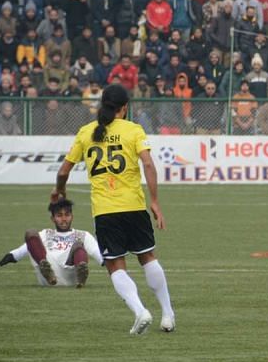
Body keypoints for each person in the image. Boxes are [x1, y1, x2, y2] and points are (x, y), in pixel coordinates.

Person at [51, 84, 175, 334]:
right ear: (125, 108)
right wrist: (155, 201)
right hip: (133, 206)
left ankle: (140, 311)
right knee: (147, 257)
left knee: (115, 266)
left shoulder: (86, 132)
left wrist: (60, 191)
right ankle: (168, 315)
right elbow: (148, 164)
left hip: (105, 211)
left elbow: (63, 170)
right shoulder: (133, 129)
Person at [0, 199, 102, 287]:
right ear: (53, 218)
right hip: (48, 276)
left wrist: (113, 264)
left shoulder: (83, 235)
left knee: (78, 246)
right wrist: (11, 255)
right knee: (31, 233)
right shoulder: (46, 233)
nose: (64, 219)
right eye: (59, 215)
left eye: (67, 215)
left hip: (70, 273)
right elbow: (26, 248)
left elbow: (100, 255)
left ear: (72, 216)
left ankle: (81, 278)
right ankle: (48, 273)